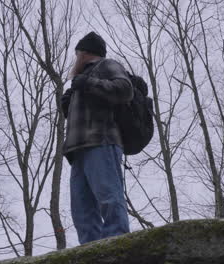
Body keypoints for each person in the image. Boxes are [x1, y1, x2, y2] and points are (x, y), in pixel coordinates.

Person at [61, 31, 133, 244]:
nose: (76, 60)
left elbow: (125, 89)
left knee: (109, 198)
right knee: (82, 211)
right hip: (78, 151)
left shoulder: (106, 66)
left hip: (101, 142)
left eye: (77, 54)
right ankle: (91, 251)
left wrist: (88, 84)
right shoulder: (81, 79)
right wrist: (68, 103)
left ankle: (118, 244)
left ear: (84, 53)